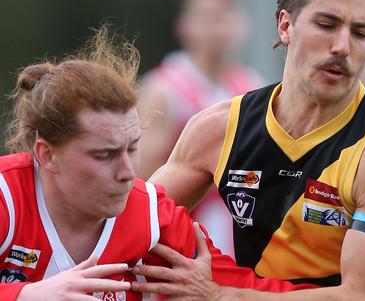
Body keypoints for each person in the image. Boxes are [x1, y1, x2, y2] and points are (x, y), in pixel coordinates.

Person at [141, 0, 365, 300]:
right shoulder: (219, 127)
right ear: (285, 25)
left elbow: (363, 297)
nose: (342, 46)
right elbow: (136, 219)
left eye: (360, 33)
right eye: (326, 25)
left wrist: (221, 295)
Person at [0, 27, 311, 300]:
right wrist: (26, 294)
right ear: (46, 154)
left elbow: (246, 288)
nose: (127, 172)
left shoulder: (149, 216)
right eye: (104, 155)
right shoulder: (7, 198)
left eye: (132, 148)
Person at [137, 0, 262, 256]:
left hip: (238, 237)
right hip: (182, 236)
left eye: (224, 15)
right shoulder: (164, 89)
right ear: (184, 26)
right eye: (206, 16)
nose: (216, 27)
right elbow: (142, 179)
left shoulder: (251, 86)